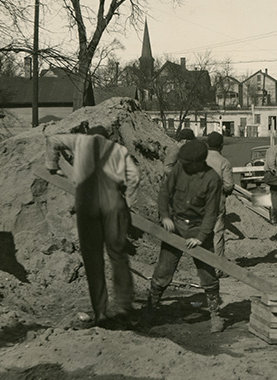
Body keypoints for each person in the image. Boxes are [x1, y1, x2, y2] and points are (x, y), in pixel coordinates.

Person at [44, 124, 140, 328]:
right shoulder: (118, 150)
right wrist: (128, 205)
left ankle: (101, 313)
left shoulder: (79, 141)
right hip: (113, 204)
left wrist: (52, 165)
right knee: (118, 256)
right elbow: (134, 178)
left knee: (93, 260)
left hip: (87, 205)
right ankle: (124, 307)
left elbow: (52, 140)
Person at [148, 139, 225, 332]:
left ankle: (215, 315)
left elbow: (211, 213)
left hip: (199, 229)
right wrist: (165, 216)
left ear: (199, 162)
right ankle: (150, 310)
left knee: (208, 275)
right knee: (162, 272)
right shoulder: (179, 169)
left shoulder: (212, 179)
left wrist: (200, 237)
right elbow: (164, 193)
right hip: (176, 225)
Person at [205, 131, 234, 276]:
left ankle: (204, 267)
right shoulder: (224, 162)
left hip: (199, 202)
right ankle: (217, 268)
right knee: (217, 234)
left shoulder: (199, 159)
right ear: (221, 145)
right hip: (216, 202)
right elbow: (229, 186)